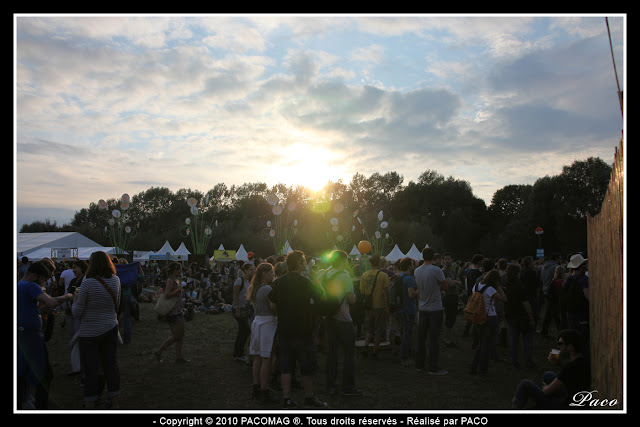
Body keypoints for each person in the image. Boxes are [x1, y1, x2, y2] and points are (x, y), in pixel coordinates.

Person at [268, 250, 328, 409]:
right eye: (304, 261)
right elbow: (322, 298)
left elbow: (272, 304)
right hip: (303, 329)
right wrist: (319, 283)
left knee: (286, 365)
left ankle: (286, 398)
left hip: (285, 328)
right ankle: (309, 397)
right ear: (299, 264)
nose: (306, 264)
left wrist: (282, 315)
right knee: (307, 365)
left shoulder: (279, 282)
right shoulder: (306, 282)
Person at [17, 262, 74, 409]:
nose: (43, 283)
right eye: (43, 279)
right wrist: (68, 295)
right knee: (44, 373)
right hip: (31, 336)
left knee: (21, 370)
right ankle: (41, 406)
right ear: (36, 276)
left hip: (21, 333)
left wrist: (41, 312)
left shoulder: (18, 285)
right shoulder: (30, 285)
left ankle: (22, 401)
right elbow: (52, 301)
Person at [72, 251, 121, 409]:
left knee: (91, 369)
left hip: (90, 331)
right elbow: (116, 306)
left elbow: (77, 312)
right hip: (110, 327)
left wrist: (74, 299)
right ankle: (115, 402)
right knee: (111, 366)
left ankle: (90, 402)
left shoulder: (87, 283)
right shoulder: (116, 280)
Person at [511, 329, 591, 409]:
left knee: (525, 384)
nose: (558, 347)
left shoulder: (570, 368)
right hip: (579, 400)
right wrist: (559, 363)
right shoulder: (583, 361)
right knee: (548, 375)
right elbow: (567, 376)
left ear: (570, 347)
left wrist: (543, 389)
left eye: (560, 344)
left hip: (567, 406)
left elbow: (546, 392)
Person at [413, 247, 455, 375]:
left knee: (421, 338)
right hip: (435, 308)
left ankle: (419, 365)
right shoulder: (436, 270)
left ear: (423, 256)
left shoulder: (417, 270)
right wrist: (447, 282)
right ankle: (433, 367)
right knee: (434, 339)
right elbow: (445, 286)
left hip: (422, 308)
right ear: (433, 257)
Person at [325, 250, 361, 396]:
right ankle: (348, 387)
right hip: (344, 319)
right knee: (349, 354)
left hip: (329, 317)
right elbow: (351, 299)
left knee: (331, 354)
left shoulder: (327, 274)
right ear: (342, 261)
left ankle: (330, 385)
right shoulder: (345, 276)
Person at [247, 263, 278, 403]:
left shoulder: (256, 287)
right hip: (267, 323)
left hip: (257, 321)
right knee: (266, 357)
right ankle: (265, 389)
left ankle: (256, 386)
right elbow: (273, 307)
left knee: (258, 357)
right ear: (264, 273)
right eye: (271, 272)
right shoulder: (267, 289)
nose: (273, 275)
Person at [469, 269, 507, 375]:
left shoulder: (476, 286)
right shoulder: (490, 289)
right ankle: (483, 368)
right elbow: (504, 299)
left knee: (482, 343)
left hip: (478, 316)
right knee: (487, 344)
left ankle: (474, 365)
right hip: (490, 317)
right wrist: (498, 287)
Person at [154, 262, 188, 364]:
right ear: (174, 270)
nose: (181, 271)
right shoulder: (170, 281)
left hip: (177, 310)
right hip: (173, 312)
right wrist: (178, 290)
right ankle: (159, 351)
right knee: (178, 335)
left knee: (180, 336)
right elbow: (167, 294)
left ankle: (178, 357)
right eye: (179, 269)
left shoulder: (175, 280)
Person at [504, 264, 535, 369]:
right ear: (517, 273)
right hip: (521, 316)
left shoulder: (506, 285)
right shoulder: (519, 285)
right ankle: (528, 361)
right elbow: (525, 302)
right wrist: (531, 316)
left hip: (510, 315)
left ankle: (514, 361)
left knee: (514, 339)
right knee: (527, 340)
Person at [359, 254, 390, 358]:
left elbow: (362, 292)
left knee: (369, 328)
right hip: (380, 305)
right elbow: (386, 292)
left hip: (368, 306)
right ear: (380, 263)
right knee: (379, 328)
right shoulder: (384, 276)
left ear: (370, 263)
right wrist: (387, 306)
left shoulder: (364, 275)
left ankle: (366, 346)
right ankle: (375, 351)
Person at [560, 254, 590, 361]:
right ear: (581, 266)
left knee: (574, 342)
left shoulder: (568, 280)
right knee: (583, 344)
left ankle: (573, 361)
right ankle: (583, 365)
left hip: (570, 315)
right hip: (582, 318)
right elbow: (588, 296)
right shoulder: (583, 280)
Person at [64, 260, 88, 376]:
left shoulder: (86, 281)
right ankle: (76, 364)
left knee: (79, 338)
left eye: (75, 267)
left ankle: (79, 365)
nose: (73, 270)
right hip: (70, 312)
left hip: (79, 313)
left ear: (82, 268)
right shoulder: (74, 281)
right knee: (73, 337)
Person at [395, 257, 418, 366]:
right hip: (408, 309)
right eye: (412, 264)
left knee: (404, 331)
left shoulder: (399, 276)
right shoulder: (409, 278)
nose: (413, 266)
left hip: (400, 308)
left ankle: (405, 352)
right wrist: (420, 289)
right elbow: (411, 294)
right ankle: (404, 357)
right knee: (407, 333)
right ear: (409, 266)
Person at [232, 263, 256, 362]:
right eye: (251, 269)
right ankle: (238, 353)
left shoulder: (249, 281)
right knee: (245, 330)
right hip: (238, 309)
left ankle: (237, 353)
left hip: (245, 309)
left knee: (242, 331)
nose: (253, 271)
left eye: (253, 269)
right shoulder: (239, 280)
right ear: (245, 270)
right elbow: (235, 296)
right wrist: (237, 309)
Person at [441, 252, 462, 348]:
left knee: (452, 318)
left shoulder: (452, 271)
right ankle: (447, 339)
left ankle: (448, 338)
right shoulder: (444, 271)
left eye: (448, 259)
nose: (447, 260)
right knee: (450, 318)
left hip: (454, 295)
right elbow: (452, 284)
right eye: (445, 259)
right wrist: (455, 282)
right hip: (449, 296)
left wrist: (455, 282)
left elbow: (459, 283)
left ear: (452, 260)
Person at [539, 253, 562, 336]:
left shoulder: (543, 267)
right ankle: (560, 330)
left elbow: (541, 279)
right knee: (554, 312)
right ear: (556, 258)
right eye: (559, 258)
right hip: (553, 291)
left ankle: (546, 330)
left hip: (546, 290)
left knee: (551, 312)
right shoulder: (556, 267)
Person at [463, 254, 484, 337]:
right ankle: (473, 332)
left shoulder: (470, 271)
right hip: (476, 295)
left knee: (471, 313)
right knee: (475, 314)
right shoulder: (478, 273)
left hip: (470, 293)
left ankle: (466, 330)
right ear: (479, 261)